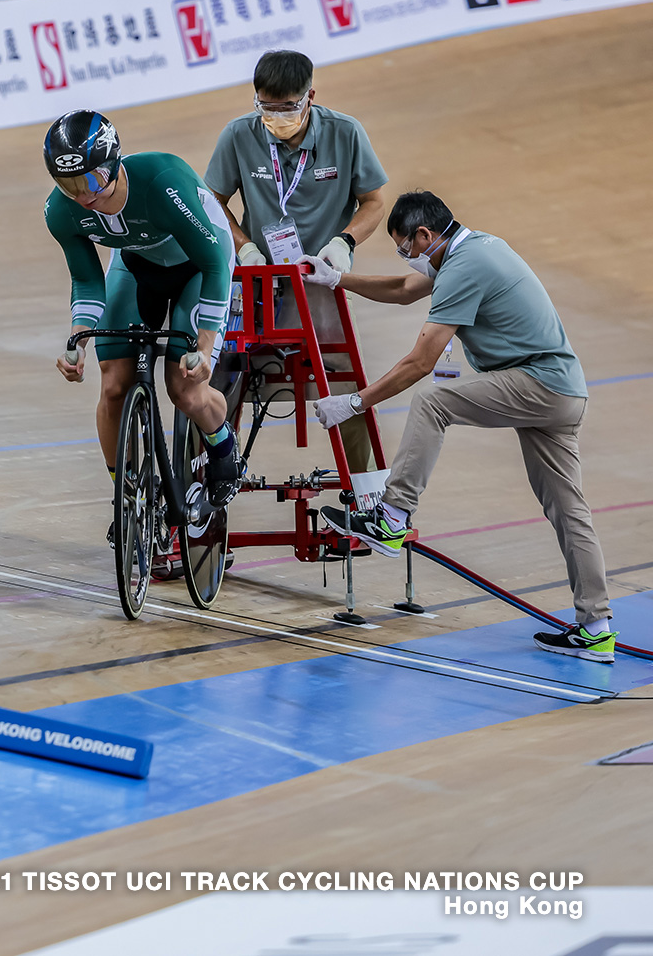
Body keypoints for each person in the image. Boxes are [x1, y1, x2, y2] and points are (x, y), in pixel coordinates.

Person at [308, 192, 614, 663]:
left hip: (538, 383)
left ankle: (391, 518)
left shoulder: (464, 267)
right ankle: (597, 628)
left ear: (425, 236)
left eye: (405, 248)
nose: (406, 257)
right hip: (564, 392)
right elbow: (404, 289)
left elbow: (420, 362)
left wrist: (354, 402)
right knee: (569, 512)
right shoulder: (473, 247)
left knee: (433, 401)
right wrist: (338, 280)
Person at [45, 111, 242, 525]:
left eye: (91, 182)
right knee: (114, 384)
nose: (82, 196)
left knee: (185, 388)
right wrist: (79, 338)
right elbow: (86, 279)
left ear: (114, 163)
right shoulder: (60, 212)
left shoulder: (161, 181)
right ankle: (128, 493)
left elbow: (214, 265)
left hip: (199, 267)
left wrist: (206, 346)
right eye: (69, 185)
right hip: (136, 265)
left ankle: (223, 447)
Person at [205, 50, 387, 471]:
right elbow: (211, 200)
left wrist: (345, 241)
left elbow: (374, 202)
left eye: (287, 107)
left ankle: (363, 493)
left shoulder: (345, 133)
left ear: (310, 97)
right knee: (220, 376)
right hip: (257, 281)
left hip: (321, 281)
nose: (277, 116)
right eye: (266, 107)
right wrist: (244, 247)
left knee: (345, 378)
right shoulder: (239, 136)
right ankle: (208, 487)